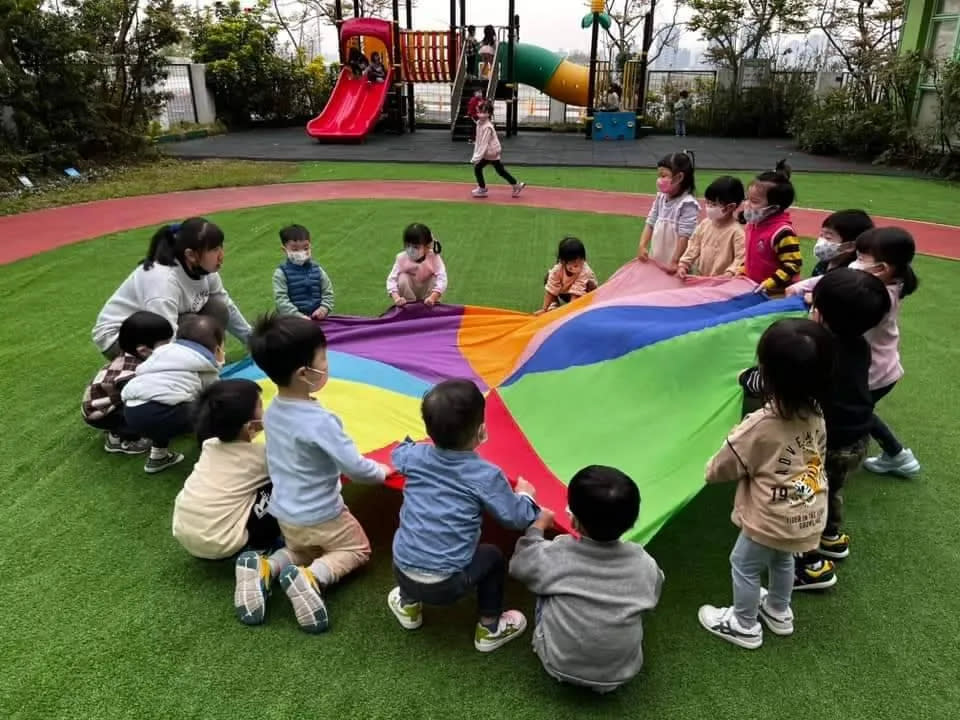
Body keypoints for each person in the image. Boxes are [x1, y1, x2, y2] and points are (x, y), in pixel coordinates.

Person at [236, 314, 390, 633]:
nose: (327, 363)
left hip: (286, 514)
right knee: (355, 549)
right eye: (324, 358)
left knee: (298, 550)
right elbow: (356, 468)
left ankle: (267, 566)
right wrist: (382, 471)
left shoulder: (272, 411)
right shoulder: (321, 421)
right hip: (324, 515)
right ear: (305, 373)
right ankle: (312, 577)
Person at [739, 270, 892, 590]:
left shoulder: (816, 354)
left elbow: (767, 384)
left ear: (819, 313)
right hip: (856, 439)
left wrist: (746, 378)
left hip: (822, 445)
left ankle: (810, 566)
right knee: (830, 490)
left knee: (803, 501)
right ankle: (831, 537)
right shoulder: (859, 345)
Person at [698, 318, 833, 649]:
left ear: (766, 376)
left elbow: (722, 467)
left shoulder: (759, 426)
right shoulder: (817, 413)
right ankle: (778, 609)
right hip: (809, 512)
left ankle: (744, 624)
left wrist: (709, 470)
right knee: (782, 558)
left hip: (770, 516)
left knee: (743, 564)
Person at [386, 379, 540, 652]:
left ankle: (409, 607)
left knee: (410, 539)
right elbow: (516, 517)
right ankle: (490, 628)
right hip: (447, 584)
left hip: (402, 568)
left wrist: (414, 446)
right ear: (481, 431)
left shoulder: (414, 456)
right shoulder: (486, 475)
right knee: (492, 556)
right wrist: (526, 496)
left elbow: (397, 455)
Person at [509, 465, 664, 692]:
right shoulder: (644, 563)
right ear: (632, 522)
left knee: (543, 584)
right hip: (622, 672)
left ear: (573, 520)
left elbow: (519, 565)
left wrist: (536, 527)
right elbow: (654, 592)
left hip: (558, 664)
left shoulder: (559, 552)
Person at [92, 218, 251, 359]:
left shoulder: (204, 270)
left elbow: (227, 307)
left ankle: (208, 358)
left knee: (218, 307)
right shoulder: (163, 280)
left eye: (221, 247)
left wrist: (254, 342)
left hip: (164, 325)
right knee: (194, 325)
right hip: (119, 339)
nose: (222, 254)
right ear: (191, 255)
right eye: (215, 249)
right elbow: (166, 338)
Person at [172, 379, 279, 560]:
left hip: (186, 534)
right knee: (280, 487)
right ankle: (261, 547)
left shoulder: (210, 445)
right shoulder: (260, 456)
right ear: (251, 426)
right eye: (261, 406)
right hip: (221, 543)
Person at [854, 228, 922, 479]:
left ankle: (897, 455)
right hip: (881, 369)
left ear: (883, 268)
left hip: (873, 372)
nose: (855, 263)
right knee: (861, 411)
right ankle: (897, 455)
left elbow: (846, 322)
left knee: (855, 411)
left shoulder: (877, 296)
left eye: (861, 258)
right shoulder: (891, 284)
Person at [121, 314, 225, 473]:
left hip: (132, 410)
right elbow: (217, 394)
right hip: (161, 411)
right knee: (212, 412)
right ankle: (218, 455)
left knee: (166, 402)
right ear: (217, 348)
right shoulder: (204, 365)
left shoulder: (164, 352)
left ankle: (158, 456)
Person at [82, 311, 174, 455]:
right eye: (165, 345)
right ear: (143, 350)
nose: (170, 349)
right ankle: (121, 436)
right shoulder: (131, 375)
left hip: (107, 403)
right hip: (100, 413)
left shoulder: (132, 357)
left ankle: (119, 429)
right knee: (148, 414)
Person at [786, 209, 875, 305]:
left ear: (850, 246)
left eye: (828, 237)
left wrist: (817, 299)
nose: (821, 241)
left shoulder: (853, 276)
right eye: (821, 235)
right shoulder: (823, 264)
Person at [739, 161, 802, 295]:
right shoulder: (753, 225)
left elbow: (793, 265)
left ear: (773, 208)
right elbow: (753, 257)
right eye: (747, 199)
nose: (747, 204)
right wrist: (743, 271)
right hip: (755, 289)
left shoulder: (783, 232)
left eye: (754, 201)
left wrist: (770, 283)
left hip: (775, 294)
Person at [637, 151, 699, 272]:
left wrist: (675, 261)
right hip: (657, 259)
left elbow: (684, 236)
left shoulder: (687, 204)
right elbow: (650, 222)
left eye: (664, 176)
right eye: (659, 176)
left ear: (679, 177)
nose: (659, 180)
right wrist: (642, 245)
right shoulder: (661, 197)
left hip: (676, 265)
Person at [677, 175, 745, 279]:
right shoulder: (705, 224)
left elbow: (740, 258)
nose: (709, 207)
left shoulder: (737, 232)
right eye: (707, 202)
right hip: (702, 278)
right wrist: (683, 264)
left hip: (723, 284)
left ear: (730, 207)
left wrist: (729, 273)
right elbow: (694, 246)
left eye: (713, 204)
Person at [273, 224, 335, 321]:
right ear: (284, 250)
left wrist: (324, 308)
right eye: (295, 249)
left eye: (306, 248)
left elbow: (328, 291)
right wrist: (297, 316)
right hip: (292, 322)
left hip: (318, 320)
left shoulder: (317, 270)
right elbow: (281, 300)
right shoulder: (281, 273)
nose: (301, 252)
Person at [471, 99, 526, 198]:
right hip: (490, 152)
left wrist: (476, 157)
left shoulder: (487, 126)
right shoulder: (480, 123)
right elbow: (479, 141)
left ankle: (482, 189)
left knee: (478, 168)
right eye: (480, 111)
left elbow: (483, 143)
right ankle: (516, 185)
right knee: (500, 170)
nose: (481, 114)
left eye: (484, 112)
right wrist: (477, 155)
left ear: (489, 113)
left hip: (490, 152)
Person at [386, 223, 447, 306]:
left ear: (427, 247)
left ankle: (431, 305)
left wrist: (433, 297)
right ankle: (409, 305)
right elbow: (392, 279)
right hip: (409, 295)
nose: (411, 250)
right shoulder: (401, 258)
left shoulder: (434, 257)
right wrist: (396, 298)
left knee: (434, 278)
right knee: (402, 278)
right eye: (407, 246)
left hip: (429, 297)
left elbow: (442, 278)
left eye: (416, 247)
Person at [536, 236, 598, 314]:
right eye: (574, 265)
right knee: (548, 277)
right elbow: (551, 290)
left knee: (589, 284)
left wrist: (568, 313)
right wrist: (544, 309)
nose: (578, 267)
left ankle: (585, 305)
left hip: (583, 293)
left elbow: (576, 292)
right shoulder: (557, 270)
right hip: (567, 293)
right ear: (563, 262)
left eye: (581, 262)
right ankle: (554, 304)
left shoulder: (585, 271)